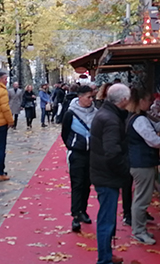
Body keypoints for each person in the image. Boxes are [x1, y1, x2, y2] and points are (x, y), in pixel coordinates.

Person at [126, 87, 160, 245]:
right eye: (149, 100)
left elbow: (153, 129)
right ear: (141, 101)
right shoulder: (140, 119)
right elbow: (153, 139)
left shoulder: (135, 117)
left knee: (140, 197)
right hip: (141, 163)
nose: (151, 103)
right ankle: (139, 231)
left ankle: (139, 229)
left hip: (138, 162)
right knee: (142, 199)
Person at [90, 83, 132, 264]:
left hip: (103, 173)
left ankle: (106, 255)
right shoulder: (110, 119)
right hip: (107, 176)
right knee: (106, 219)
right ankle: (104, 259)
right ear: (123, 100)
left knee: (108, 218)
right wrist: (124, 171)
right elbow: (112, 152)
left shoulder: (106, 114)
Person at [61, 84, 97, 232]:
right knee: (77, 184)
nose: (91, 99)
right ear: (80, 97)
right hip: (77, 153)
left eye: (92, 97)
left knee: (87, 184)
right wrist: (72, 146)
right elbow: (65, 132)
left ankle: (83, 211)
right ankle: (75, 215)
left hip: (92, 153)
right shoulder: (70, 113)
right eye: (88, 97)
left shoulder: (96, 112)